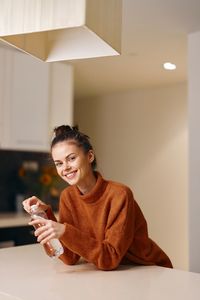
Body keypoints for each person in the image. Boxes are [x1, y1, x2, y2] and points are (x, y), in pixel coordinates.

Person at [23, 125, 173, 270]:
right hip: (116, 275)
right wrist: (46, 215)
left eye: (71, 158)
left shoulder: (119, 195)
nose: (65, 168)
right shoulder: (67, 197)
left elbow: (110, 258)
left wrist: (64, 231)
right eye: (59, 163)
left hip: (149, 270)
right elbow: (69, 258)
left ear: (90, 156)